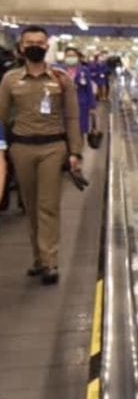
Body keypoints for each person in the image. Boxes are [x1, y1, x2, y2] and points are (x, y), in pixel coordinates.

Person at [0, 26, 84, 285]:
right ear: (22, 47)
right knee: (31, 206)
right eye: (30, 42)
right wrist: (3, 151)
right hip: (21, 148)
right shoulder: (11, 80)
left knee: (48, 206)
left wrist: (75, 152)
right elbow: (1, 117)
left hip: (52, 148)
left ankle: (50, 262)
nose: (35, 46)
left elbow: (72, 117)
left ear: (47, 46)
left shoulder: (60, 79)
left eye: (40, 41)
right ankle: (38, 258)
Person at [57, 46, 97, 142]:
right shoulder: (59, 71)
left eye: (73, 55)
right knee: (64, 129)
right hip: (63, 104)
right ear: (65, 57)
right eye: (68, 56)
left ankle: (78, 151)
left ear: (78, 57)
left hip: (81, 104)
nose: (71, 58)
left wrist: (92, 106)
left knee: (79, 130)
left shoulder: (84, 70)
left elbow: (89, 89)